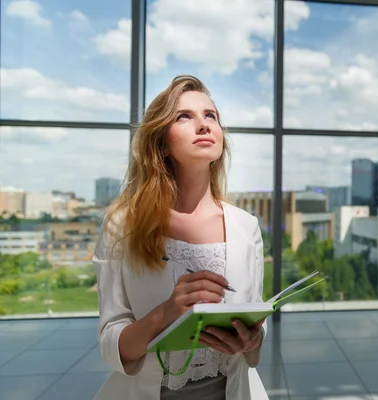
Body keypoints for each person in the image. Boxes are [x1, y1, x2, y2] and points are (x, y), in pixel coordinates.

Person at [92, 75, 270, 400]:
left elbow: (254, 346)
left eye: (210, 116)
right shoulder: (122, 226)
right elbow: (111, 346)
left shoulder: (247, 227)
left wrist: (252, 341)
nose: (203, 125)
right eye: (184, 116)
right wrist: (167, 312)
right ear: (161, 142)